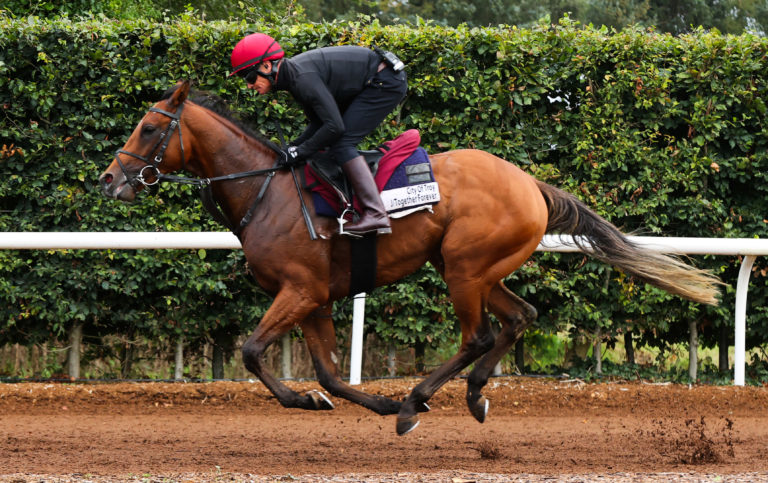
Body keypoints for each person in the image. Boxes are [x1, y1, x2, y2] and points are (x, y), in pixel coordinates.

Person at [230, 33, 408, 236]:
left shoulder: (301, 79)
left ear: (267, 66)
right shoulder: (292, 78)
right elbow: (319, 123)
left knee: (342, 144)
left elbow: (335, 127)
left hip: (384, 82)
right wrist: (291, 148)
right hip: (373, 78)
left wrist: (299, 152)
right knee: (329, 143)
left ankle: (376, 214)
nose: (249, 86)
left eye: (250, 78)